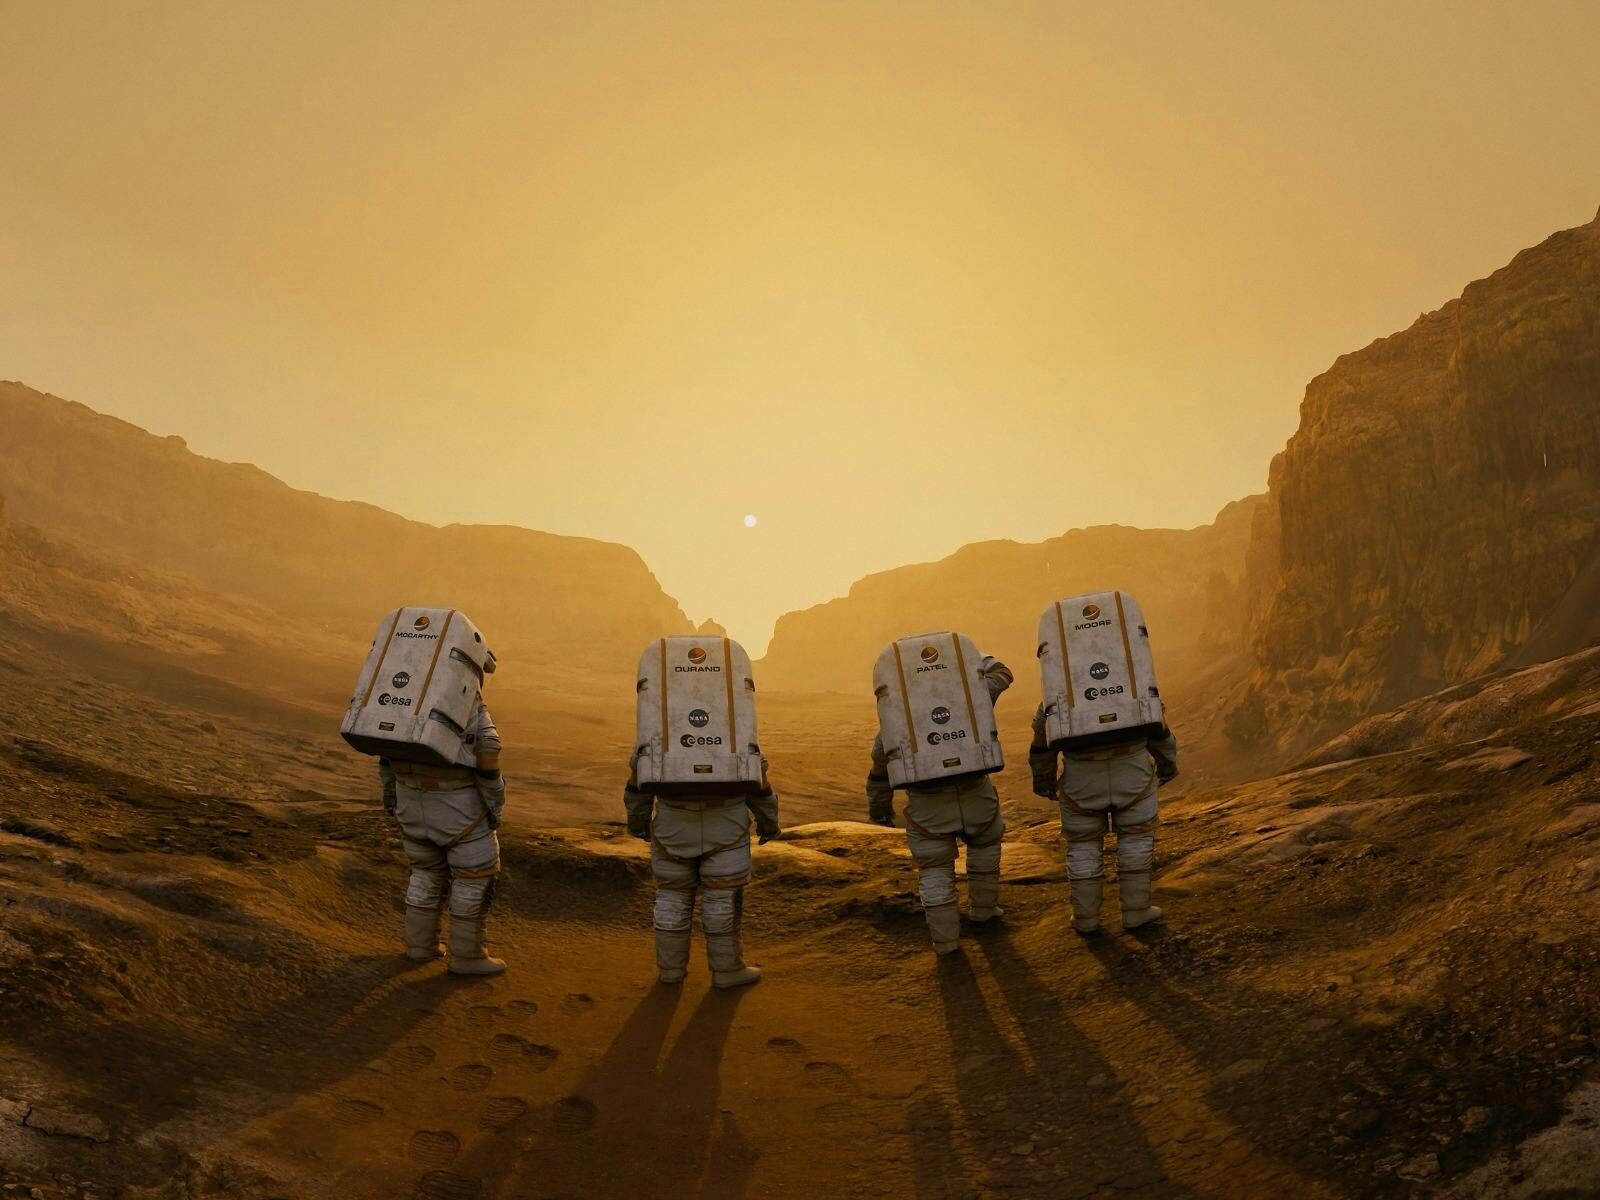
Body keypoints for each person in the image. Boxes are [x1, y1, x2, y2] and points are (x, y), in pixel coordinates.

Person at [866, 655, 1014, 956]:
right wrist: (963, 658)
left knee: (934, 869)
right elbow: (1003, 672)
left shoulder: (894, 720)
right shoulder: (975, 695)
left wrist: (880, 810)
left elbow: (879, 769)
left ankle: (946, 942)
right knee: (985, 850)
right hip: (976, 793)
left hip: (928, 806)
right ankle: (984, 911)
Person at [381, 689, 508, 975]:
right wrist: (495, 805)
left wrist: (391, 798)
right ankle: (467, 956)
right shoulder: (468, 703)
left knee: (425, 873)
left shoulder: (403, 698)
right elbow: (489, 752)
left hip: (410, 805)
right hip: (459, 811)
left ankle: (419, 947)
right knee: (473, 881)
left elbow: (385, 754)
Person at [624, 759, 781, 989]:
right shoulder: (738, 738)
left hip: (672, 828)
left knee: (672, 897)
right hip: (727, 828)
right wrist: (769, 825)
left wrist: (638, 825)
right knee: (722, 900)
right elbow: (760, 786)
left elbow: (637, 784)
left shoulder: (654, 738)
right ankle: (727, 970)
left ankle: (671, 970)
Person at [1029, 708, 1177, 933]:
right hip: (1133, 773)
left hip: (1080, 778)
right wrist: (1168, 765)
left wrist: (1044, 782)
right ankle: (1136, 911)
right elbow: (1159, 728)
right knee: (1136, 842)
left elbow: (1041, 742)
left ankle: (1085, 918)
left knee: (1082, 847)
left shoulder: (1053, 695)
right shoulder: (1135, 687)